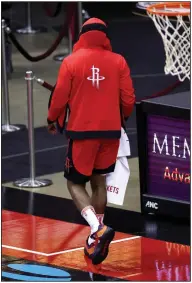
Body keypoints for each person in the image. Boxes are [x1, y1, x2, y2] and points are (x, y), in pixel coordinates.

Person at [47, 17, 135, 265]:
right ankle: (96, 235)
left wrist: (52, 118)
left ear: (82, 35)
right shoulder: (118, 61)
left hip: (82, 134)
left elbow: (60, 97)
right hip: (110, 134)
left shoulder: (71, 61)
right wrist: (122, 119)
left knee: (74, 183)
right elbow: (128, 99)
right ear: (105, 37)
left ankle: (97, 229)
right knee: (99, 183)